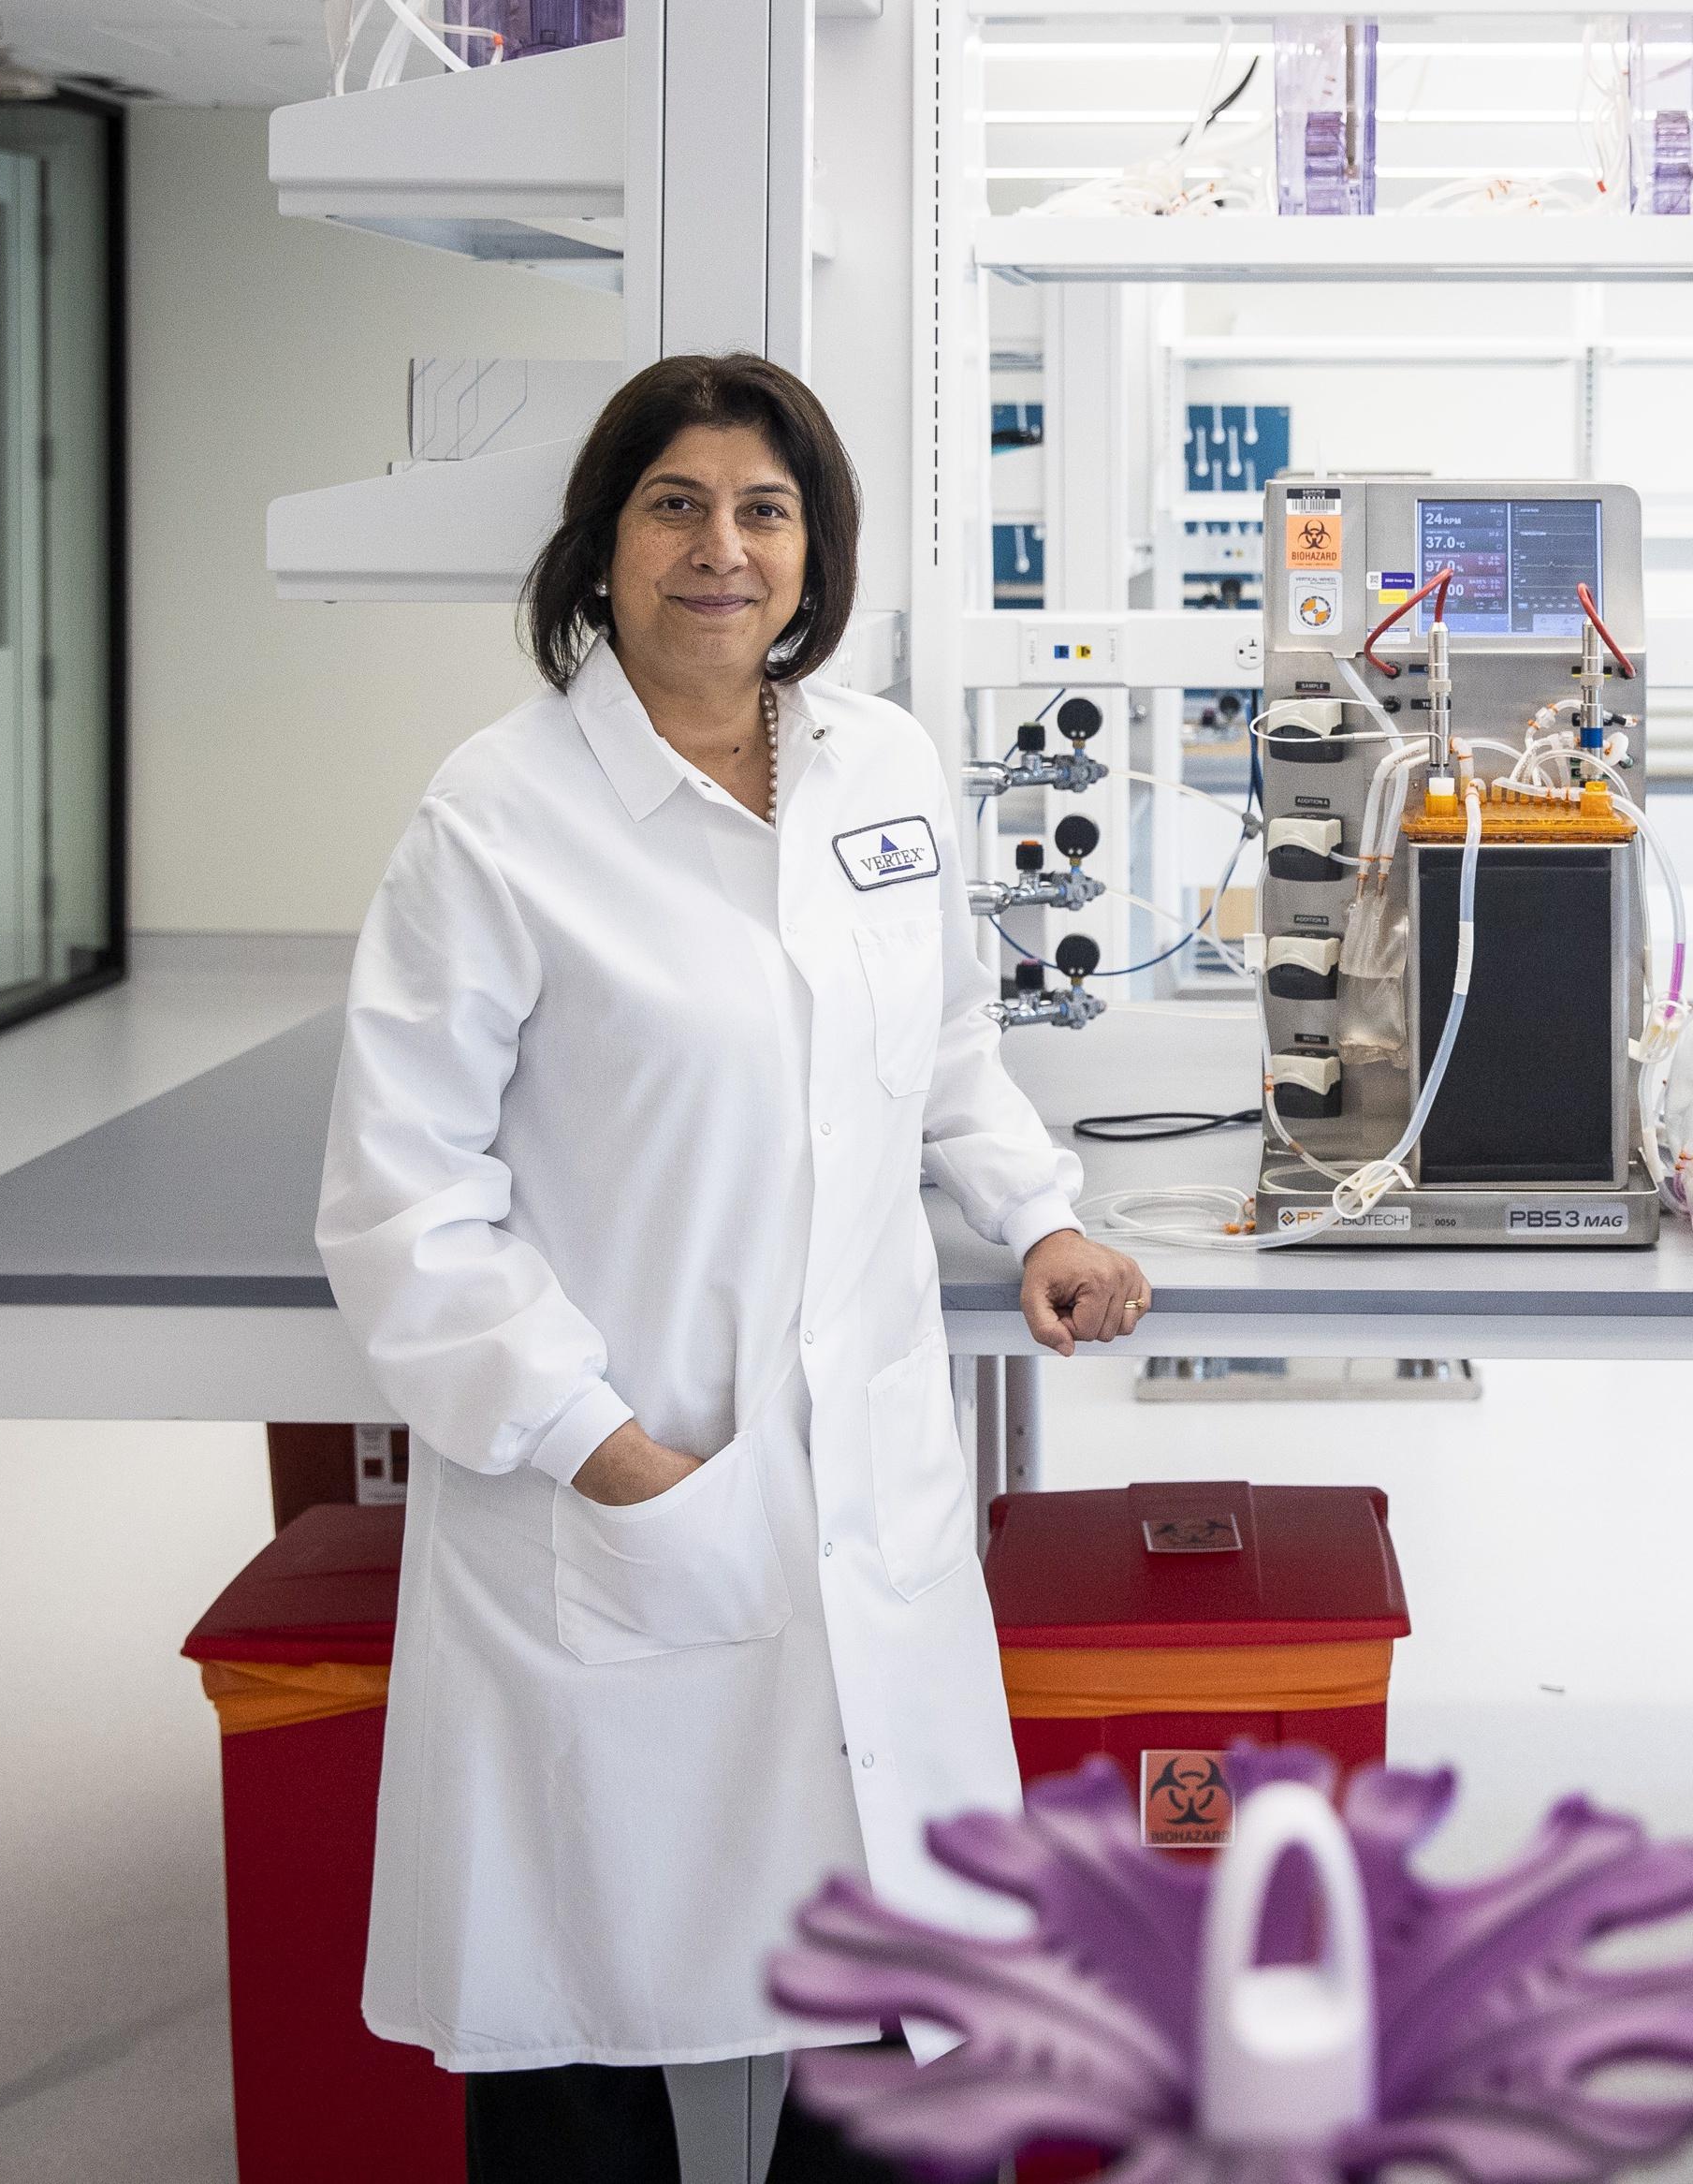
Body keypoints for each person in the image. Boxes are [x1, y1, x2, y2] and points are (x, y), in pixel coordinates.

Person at [316, 352, 1152, 2180]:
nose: (722, 549)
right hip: (622, 1481)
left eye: (763, 510)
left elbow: (942, 1051)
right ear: (601, 550)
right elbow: (398, 1198)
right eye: (674, 506)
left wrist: (1041, 1214)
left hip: (864, 1485)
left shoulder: (882, 762)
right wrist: (599, 1445)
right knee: (580, 1999)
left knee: (901, 1991)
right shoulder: (499, 814)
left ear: (815, 550)